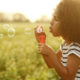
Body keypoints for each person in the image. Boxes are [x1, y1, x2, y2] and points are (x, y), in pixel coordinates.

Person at [35, 0, 80, 80]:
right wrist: (41, 42)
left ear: (69, 23)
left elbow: (68, 76)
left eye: (55, 18)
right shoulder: (65, 45)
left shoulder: (75, 47)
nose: (51, 22)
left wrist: (51, 53)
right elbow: (51, 64)